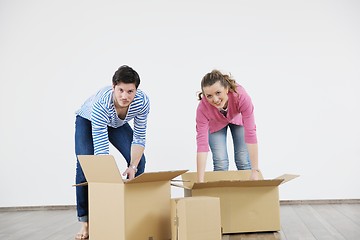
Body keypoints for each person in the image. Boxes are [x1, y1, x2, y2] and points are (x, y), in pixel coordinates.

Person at [74, 65, 150, 239]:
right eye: (120, 90)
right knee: (86, 166)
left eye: (130, 91)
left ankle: (133, 213)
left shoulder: (142, 101)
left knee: (140, 162)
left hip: (117, 123)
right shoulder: (101, 105)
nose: (125, 96)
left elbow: (139, 137)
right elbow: (101, 152)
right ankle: (86, 223)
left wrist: (132, 166)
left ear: (136, 90)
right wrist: (110, 184)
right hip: (88, 119)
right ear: (113, 86)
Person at [196, 69, 259, 183]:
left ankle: (249, 192)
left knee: (243, 159)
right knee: (220, 161)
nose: (215, 99)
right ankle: (221, 197)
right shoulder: (202, 108)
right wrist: (200, 181)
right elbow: (202, 144)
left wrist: (255, 171)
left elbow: (251, 133)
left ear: (226, 88)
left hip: (237, 119)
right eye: (209, 96)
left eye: (218, 93)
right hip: (215, 123)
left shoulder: (241, 96)